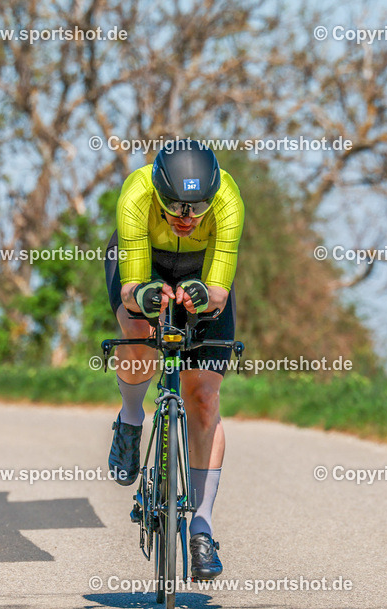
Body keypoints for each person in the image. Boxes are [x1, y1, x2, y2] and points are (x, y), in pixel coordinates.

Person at [103, 140, 243, 580]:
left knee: (203, 397)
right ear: (158, 192)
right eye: (175, 206)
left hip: (201, 268)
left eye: (196, 207)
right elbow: (130, 290)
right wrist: (141, 294)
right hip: (144, 263)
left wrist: (206, 296)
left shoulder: (228, 200)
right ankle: (130, 417)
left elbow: (218, 293)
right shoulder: (136, 193)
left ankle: (201, 527)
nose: (185, 217)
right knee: (139, 331)